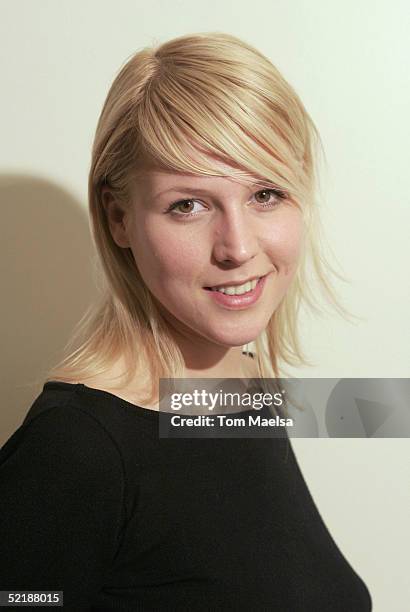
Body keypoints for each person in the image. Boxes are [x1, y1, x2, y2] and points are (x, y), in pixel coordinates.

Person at [0, 32, 372, 610]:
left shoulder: (239, 381)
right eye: (187, 205)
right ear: (119, 218)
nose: (237, 247)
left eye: (266, 193)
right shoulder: (78, 450)